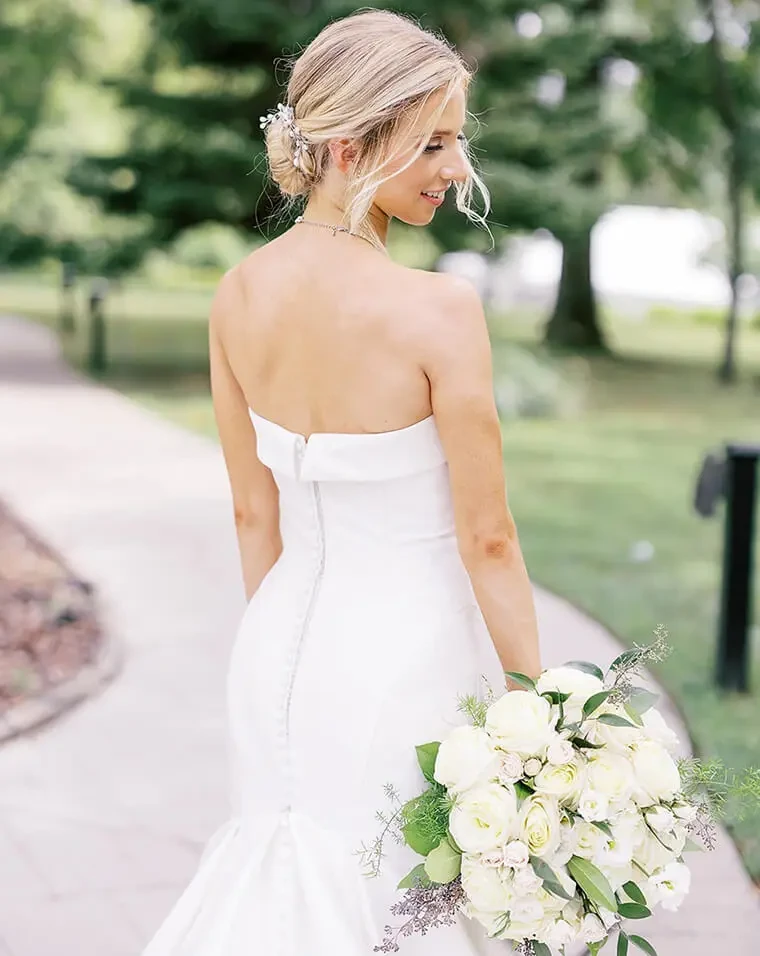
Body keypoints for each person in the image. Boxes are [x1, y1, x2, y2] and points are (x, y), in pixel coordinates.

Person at [141, 8, 540, 955]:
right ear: (352, 148)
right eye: (433, 142)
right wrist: (543, 715)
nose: (457, 167)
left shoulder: (237, 294)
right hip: (406, 661)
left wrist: (293, 662)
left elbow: (253, 514)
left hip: (275, 655)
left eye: (458, 140)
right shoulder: (439, 312)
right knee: (401, 909)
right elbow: (489, 540)